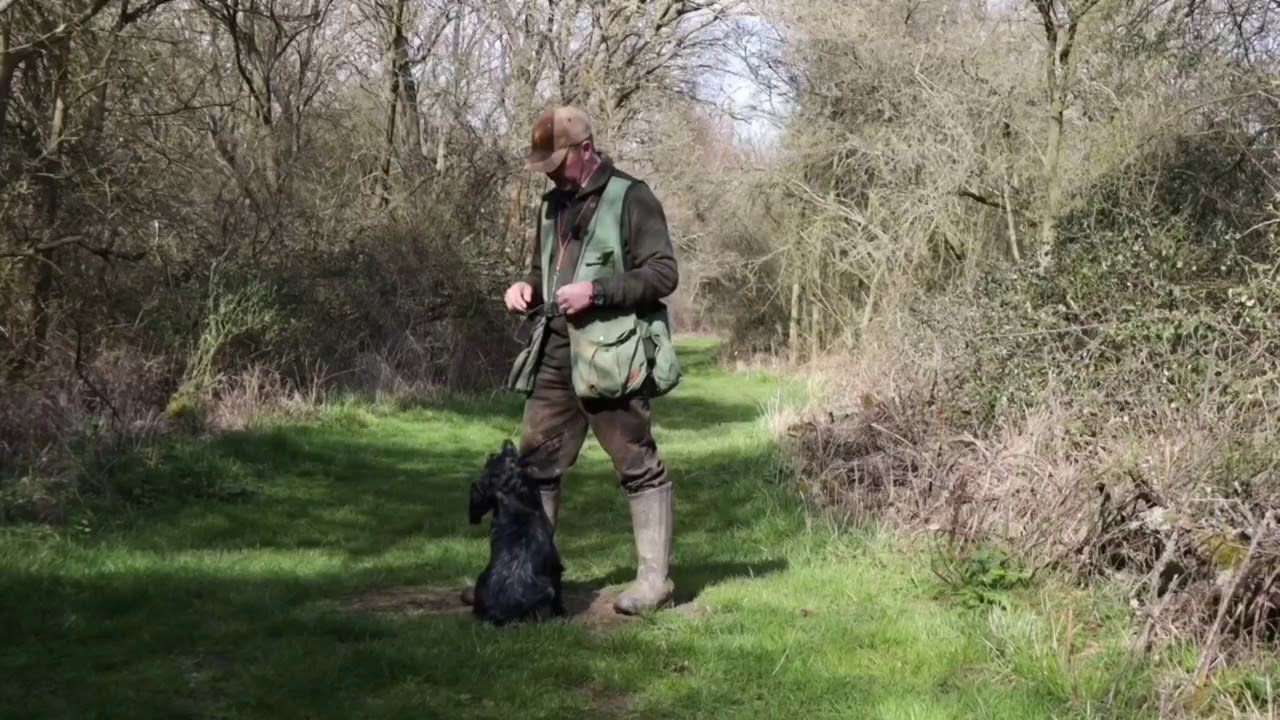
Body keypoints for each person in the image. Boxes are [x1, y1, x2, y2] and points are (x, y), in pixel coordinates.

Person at [460, 105, 683, 615]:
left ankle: (655, 583)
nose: (553, 174)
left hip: (614, 358)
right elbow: (550, 275)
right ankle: (517, 579)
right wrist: (526, 287)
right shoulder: (550, 206)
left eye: (559, 163)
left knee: (638, 466)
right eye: (547, 167)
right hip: (555, 354)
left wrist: (599, 293)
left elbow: (664, 273)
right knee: (534, 468)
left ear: (586, 149)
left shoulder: (633, 198)